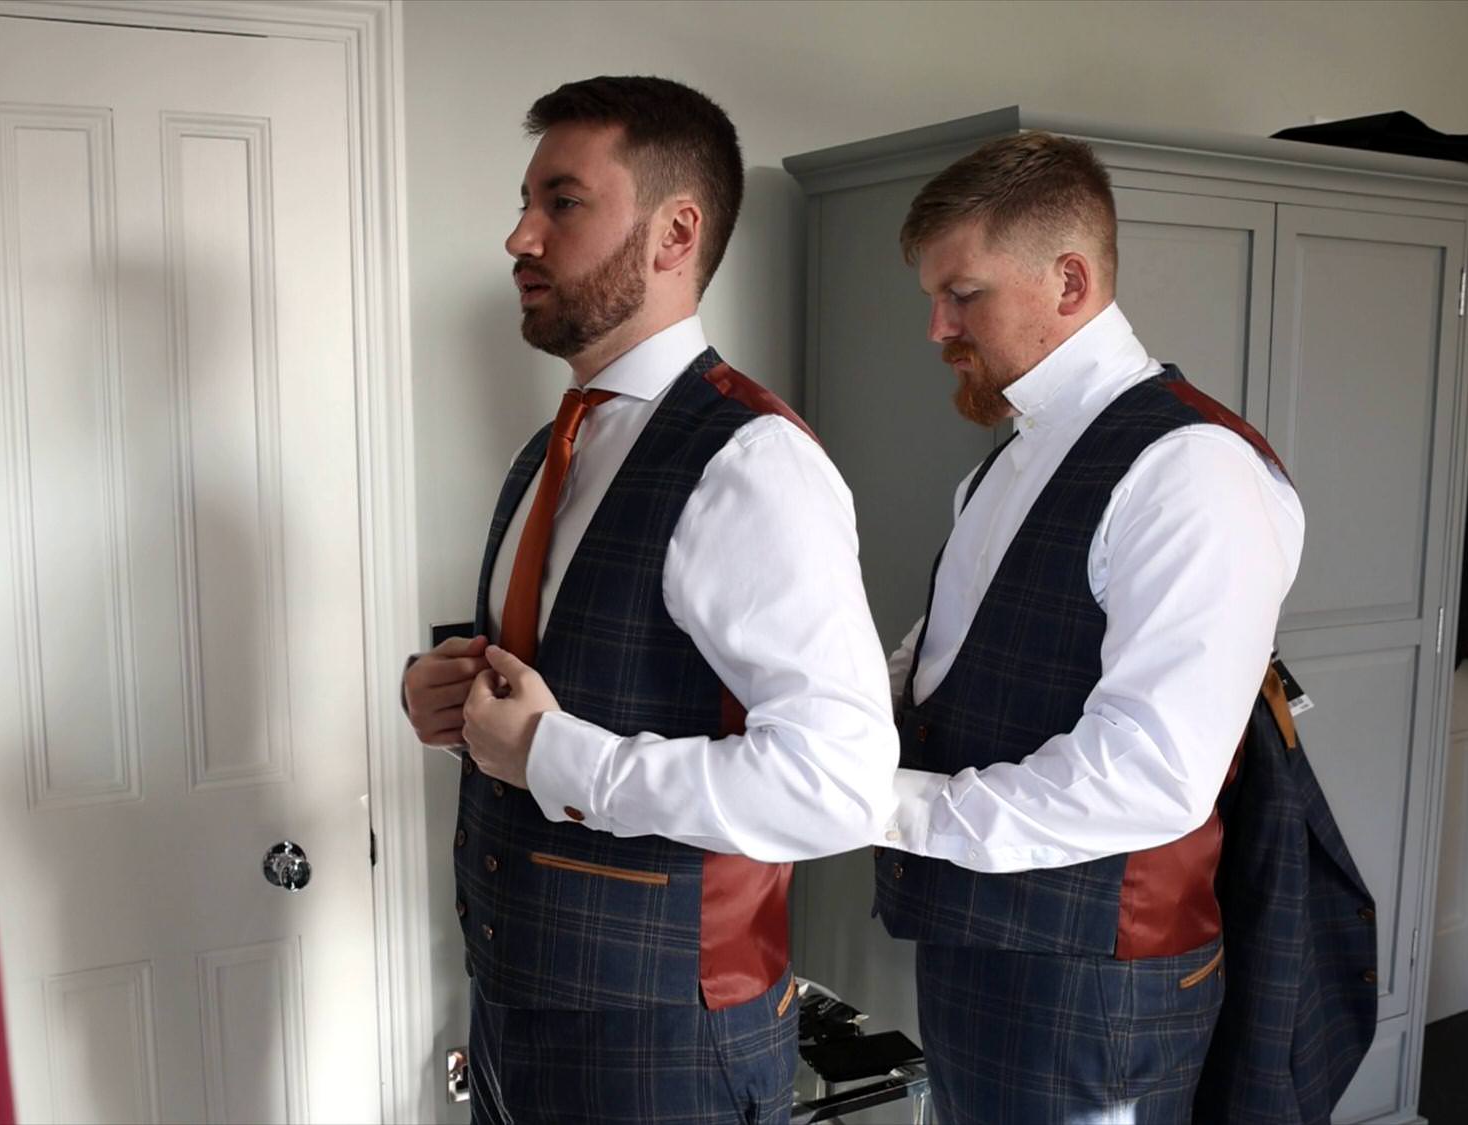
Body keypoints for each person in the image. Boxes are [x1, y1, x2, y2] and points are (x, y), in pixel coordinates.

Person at [400, 76, 896, 1124]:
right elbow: (563, 677)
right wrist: (447, 696)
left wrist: (547, 754)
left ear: (675, 232)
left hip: (664, 1046)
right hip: (513, 1010)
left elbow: (837, 784)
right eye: (525, 201)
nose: (518, 237)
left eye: (561, 203)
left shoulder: (752, 466)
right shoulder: (553, 450)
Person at [873, 131, 1305, 1124]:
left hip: (1093, 985)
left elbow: (1151, 770)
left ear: (1068, 280)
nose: (937, 329)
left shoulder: (1192, 472)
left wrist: (887, 805)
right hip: (981, 937)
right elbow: (949, 657)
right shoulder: (999, 465)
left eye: (962, 295)